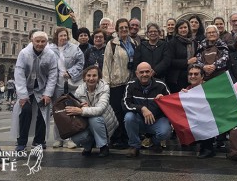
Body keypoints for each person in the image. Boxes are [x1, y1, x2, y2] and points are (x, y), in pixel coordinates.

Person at [10, 31, 58, 151]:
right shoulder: (24, 53)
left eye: (43, 41)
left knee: (42, 114)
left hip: (42, 88)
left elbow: (53, 75)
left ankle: (39, 141)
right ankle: (21, 141)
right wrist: (22, 95)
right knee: (25, 111)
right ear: (32, 41)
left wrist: (48, 94)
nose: (40, 44)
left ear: (46, 42)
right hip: (27, 88)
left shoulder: (50, 54)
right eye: (37, 41)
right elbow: (19, 73)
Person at [102, 18, 139, 148]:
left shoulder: (134, 43)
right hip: (115, 83)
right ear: (117, 30)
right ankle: (117, 138)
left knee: (127, 111)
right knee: (116, 111)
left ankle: (127, 136)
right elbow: (106, 64)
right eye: (121, 27)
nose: (124, 29)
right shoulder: (112, 44)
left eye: (126, 27)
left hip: (129, 83)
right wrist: (106, 83)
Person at [67, 65, 118, 157]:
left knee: (94, 119)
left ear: (99, 77)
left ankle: (103, 146)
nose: (91, 78)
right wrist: (79, 107)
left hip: (105, 122)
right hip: (88, 124)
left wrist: (82, 110)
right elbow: (76, 109)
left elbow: (100, 109)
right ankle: (88, 146)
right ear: (84, 77)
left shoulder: (105, 87)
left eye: (94, 75)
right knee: (76, 137)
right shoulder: (79, 90)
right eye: (88, 75)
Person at [123, 62, 172, 157]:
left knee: (165, 131)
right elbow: (125, 104)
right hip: (139, 120)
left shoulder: (161, 85)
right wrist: (142, 108)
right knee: (128, 117)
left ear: (151, 72)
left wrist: (163, 100)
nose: (144, 74)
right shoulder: (130, 85)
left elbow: (171, 105)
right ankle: (134, 146)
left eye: (147, 72)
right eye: (141, 72)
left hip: (157, 120)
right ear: (136, 73)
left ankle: (154, 141)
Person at [49, 27, 85, 149]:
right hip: (56, 83)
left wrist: (70, 72)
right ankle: (58, 138)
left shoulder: (75, 48)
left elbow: (80, 63)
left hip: (70, 83)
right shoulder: (50, 49)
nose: (63, 38)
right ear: (56, 37)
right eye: (61, 36)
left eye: (65, 35)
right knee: (58, 111)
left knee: (70, 109)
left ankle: (70, 138)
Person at [181, 64, 215, 158]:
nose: (193, 76)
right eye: (190, 74)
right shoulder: (187, 90)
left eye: (196, 74)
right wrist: (182, 97)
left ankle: (208, 148)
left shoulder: (209, 88)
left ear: (202, 76)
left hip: (211, 120)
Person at [167, 19, 198, 93]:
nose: (183, 30)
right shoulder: (172, 43)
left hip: (192, 76)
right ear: (177, 30)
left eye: (185, 27)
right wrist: (187, 62)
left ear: (188, 28)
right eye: (180, 28)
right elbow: (170, 61)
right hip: (177, 78)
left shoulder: (194, 42)